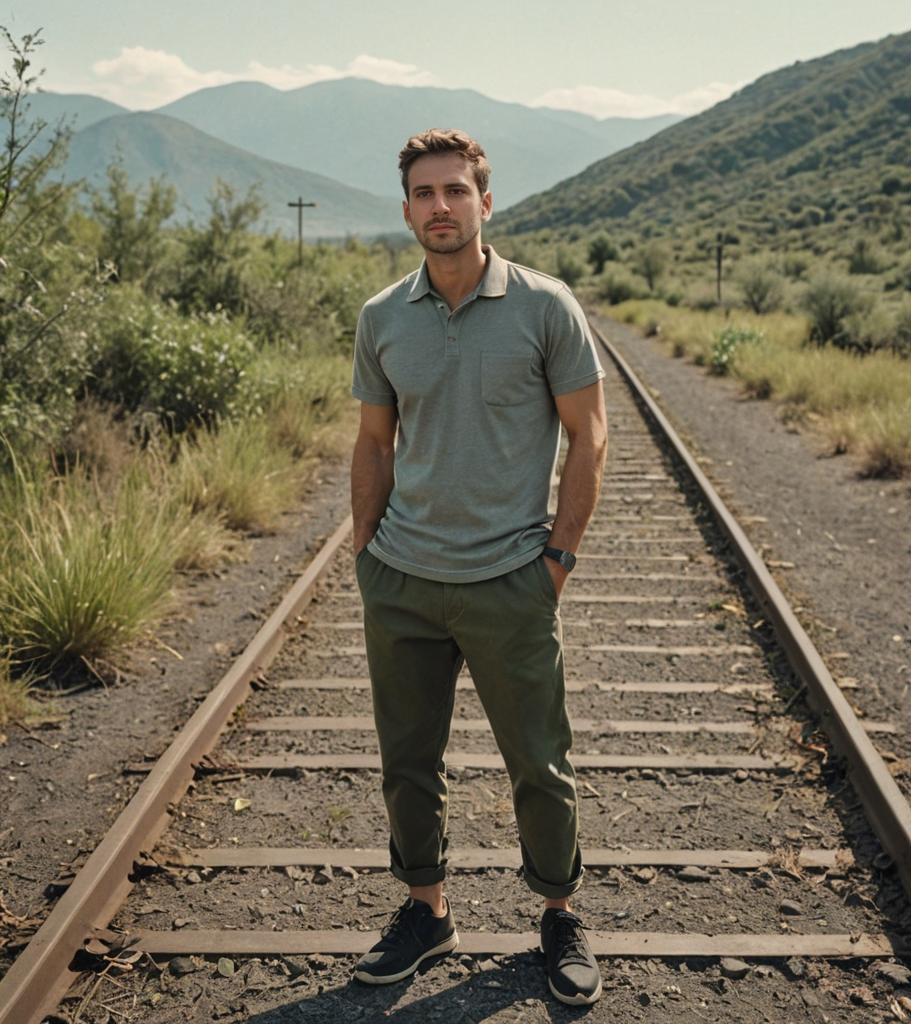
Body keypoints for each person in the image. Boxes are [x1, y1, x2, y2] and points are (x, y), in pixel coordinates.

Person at [348, 127, 608, 1006]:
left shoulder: (546, 306)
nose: (441, 207)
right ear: (409, 208)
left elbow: (590, 437)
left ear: (486, 202)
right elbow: (373, 445)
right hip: (404, 581)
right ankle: (427, 911)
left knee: (539, 762)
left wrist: (556, 561)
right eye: (424, 194)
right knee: (407, 760)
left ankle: (560, 915)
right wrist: (365, 557)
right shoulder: (382, 317)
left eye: (456, 191)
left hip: (509, 580)